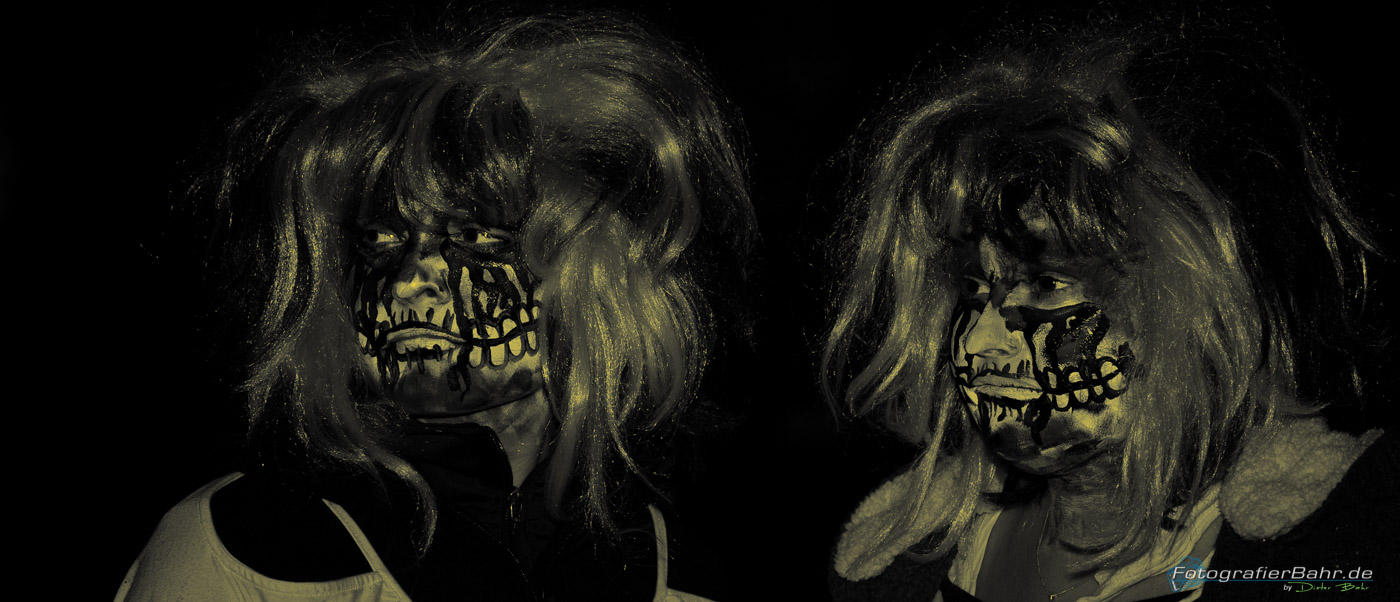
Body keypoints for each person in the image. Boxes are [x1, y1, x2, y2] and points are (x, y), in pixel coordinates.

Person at [117, 12, 754, 601]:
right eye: (378, 239)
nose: (409, 283)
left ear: (593, 278)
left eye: (475, 236)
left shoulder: (672, 574)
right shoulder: (244, 546)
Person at [823, 17, 1396, 601]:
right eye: (973, 289)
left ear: (1190, 305)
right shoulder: (901, 560)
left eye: (1046, 283)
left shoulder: (1333, 552)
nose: (981, 342)